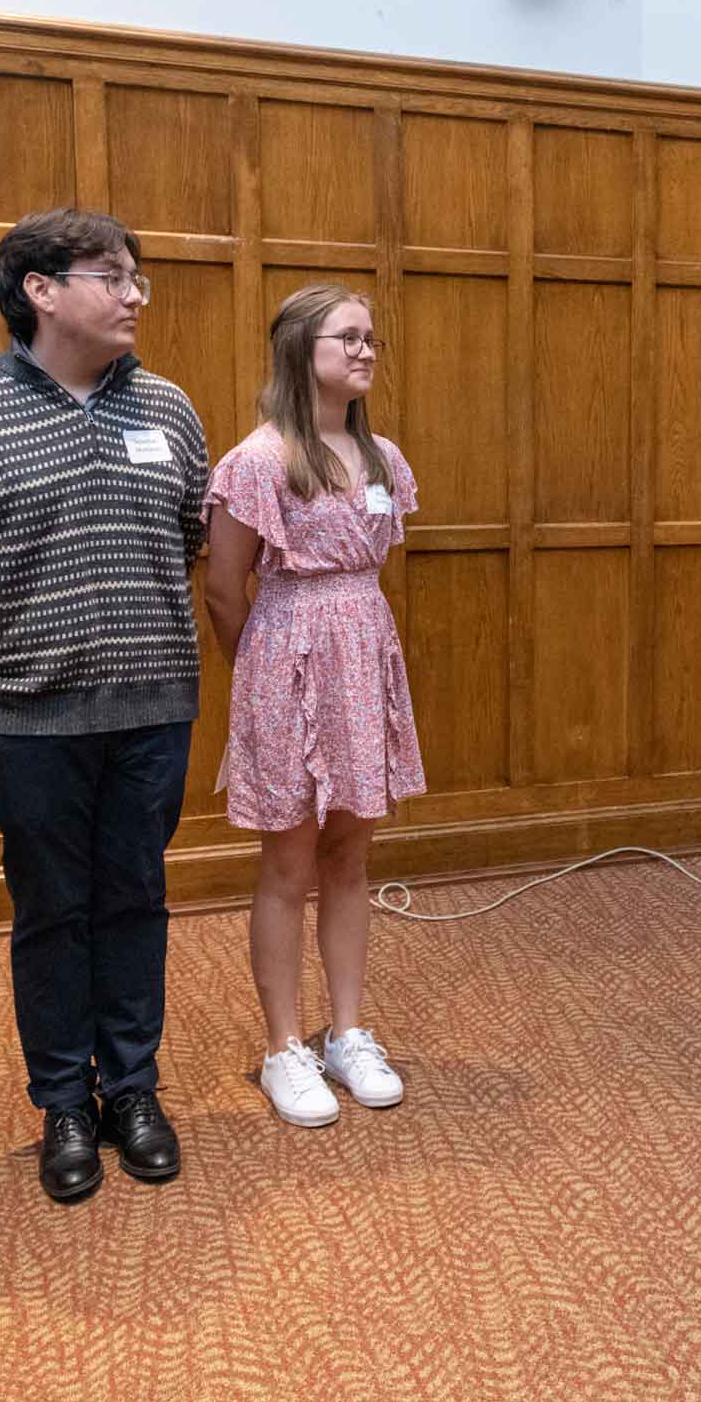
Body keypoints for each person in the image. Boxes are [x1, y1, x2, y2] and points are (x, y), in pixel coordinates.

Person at [0, 209, 208, 1203]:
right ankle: (64, 1102)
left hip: (153, 704)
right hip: (26, 719)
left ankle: (134, 1089)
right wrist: (6, 651)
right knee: (54, 912)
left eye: (137, 276)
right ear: (39, 288)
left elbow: (188, 539)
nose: (135, 293)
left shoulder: (170, 409)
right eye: (112, 275)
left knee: (136, 900)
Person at [203, 284, 425, 1129]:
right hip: (284, 660)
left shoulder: (382, 459)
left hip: (362, 656)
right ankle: (284, 1047)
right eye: (349, 338)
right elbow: (225, 588)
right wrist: (260, 674)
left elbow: (369, 570)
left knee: (351, 858)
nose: (367, 351)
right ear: (302, 348)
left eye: (372, 339)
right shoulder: (258, 460)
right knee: (288, 864)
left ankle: (349, 1032)